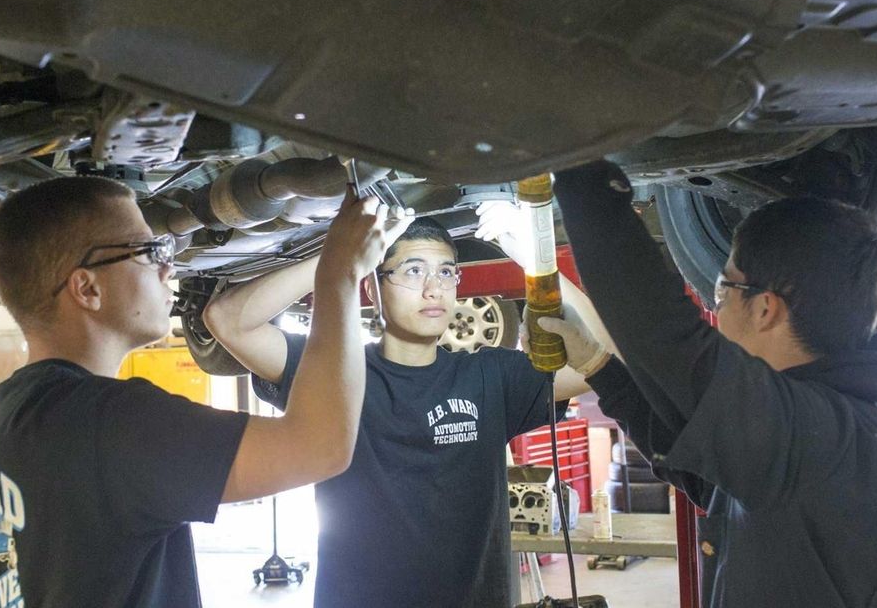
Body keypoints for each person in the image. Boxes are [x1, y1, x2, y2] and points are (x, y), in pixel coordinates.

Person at [0, 177, 410, 608]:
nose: (169, 265)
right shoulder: (112, 422)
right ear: (87, 288)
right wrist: (340, 275)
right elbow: (320, 446)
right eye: (149, 251)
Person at [538, 162, 877, 607]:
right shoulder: (834, 435)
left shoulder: (833, 444)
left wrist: (580, 173)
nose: (717, 310)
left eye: (723, 291)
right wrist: (599, 366)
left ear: (765, 308)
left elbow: (664, 337)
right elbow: (702, 473)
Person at [203, 213, 607, 608]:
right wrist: (342, 258)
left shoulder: (490, 377)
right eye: (413, 271)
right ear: (374, 288)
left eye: (446, 272)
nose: (434, 289)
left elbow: (602, 355)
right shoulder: (333, 372)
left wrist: (536, 260)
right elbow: (227, 320)